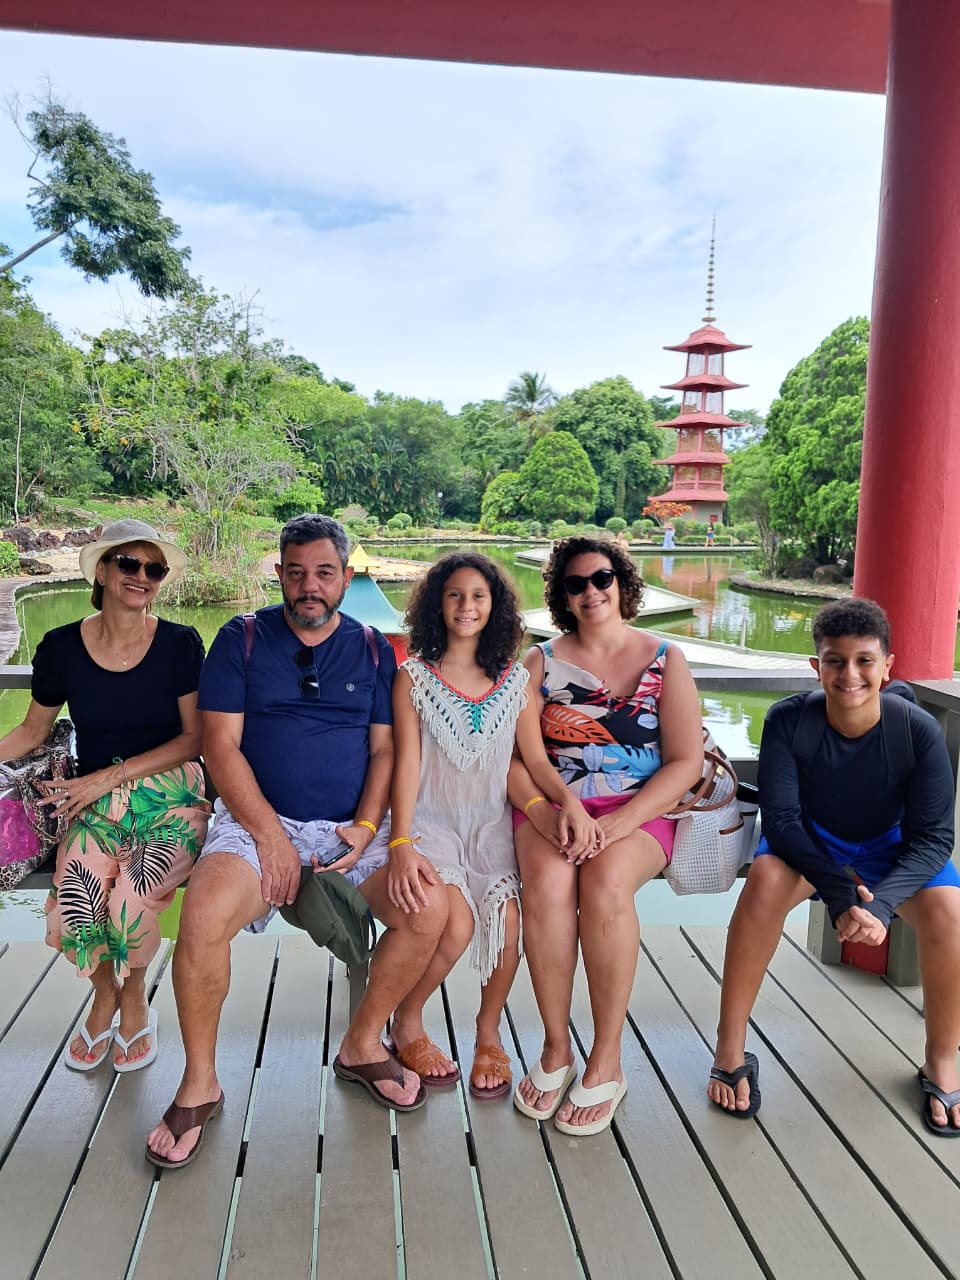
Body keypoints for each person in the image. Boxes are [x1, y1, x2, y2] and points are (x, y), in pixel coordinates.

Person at [147, 514, 449, 1170]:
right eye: (296, 572)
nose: (310, 586)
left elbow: (385, 751)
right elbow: (220, 747)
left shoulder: (374, 649)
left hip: (350, 827)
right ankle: (199, 1082)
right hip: (260, 821)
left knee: (428, 911)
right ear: (280, 574)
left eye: (324, 573)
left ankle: (363, 1045)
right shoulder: (242, 639)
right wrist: (270, 837)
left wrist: (367, 827)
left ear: (345, 576)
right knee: (202, 918)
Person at [707, 599, 960, 1136]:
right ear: (815, 666)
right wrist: (842, 896)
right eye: (835, 661)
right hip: (810, 841)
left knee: (949, 911)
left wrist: (881, 906)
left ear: (887, 665)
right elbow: (782, 820)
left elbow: (935, 838)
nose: (850, 675)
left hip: (889, 845)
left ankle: (941, 1059)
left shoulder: (917, 730)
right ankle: (730, 1047)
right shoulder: (788, 720)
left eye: (865, 661)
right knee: (764, 885)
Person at [509, 536, 704, 1135]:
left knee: (606, 883)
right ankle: (555, 1046)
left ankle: (607, 1057)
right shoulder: (539, 663)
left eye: (601, 579)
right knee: (546, 885)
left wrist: (623, 821)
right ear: (562, 596)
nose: (591, 592)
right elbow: (514, 759)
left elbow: (686, 762)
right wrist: (550, 811)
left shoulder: (665, 658)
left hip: (640, 809)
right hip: (553, 805)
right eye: (576, 584)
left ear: (621, 583)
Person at [0, 518, 208, 1072]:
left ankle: (134, 995)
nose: (142, 576)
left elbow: (195, 738)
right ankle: (104, 993)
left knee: (131, 901)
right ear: (100, 570)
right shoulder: (61, 648)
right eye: (129, 563)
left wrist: (111, 777)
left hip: (170, 794)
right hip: (91, 801)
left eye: (154, 569)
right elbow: (32, 731)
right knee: (77, 899)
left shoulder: (180, 644)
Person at [386, 552, 592, 1099]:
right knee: (455, 925)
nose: (466, 606)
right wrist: (400, 839)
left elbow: (536, 761)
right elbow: (406, 765)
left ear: (494, 605)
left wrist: (568, 803)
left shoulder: (514, 680)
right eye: (454, 594)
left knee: (507, 926)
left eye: (478, 596)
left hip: (490, 825)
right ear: (437, 604)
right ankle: (407, 1018)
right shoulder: (414, 678)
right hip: (431, 822)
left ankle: (487, 1032)